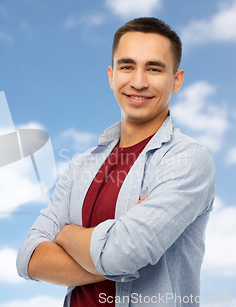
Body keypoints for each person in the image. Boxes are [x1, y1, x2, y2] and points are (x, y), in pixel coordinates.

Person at [16, 17, 215, 307]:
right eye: (127, 66)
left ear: (177, 80)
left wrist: (66, 233)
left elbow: (122, 256)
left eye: (154, 68)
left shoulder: (188, 160)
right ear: (111, 76)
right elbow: (28, 257)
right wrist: (113, 247)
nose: (138, 81)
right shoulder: (82, 165)